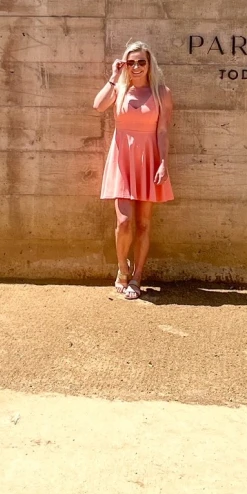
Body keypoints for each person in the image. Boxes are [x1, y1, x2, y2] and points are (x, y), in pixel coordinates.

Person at [93, 41, 173, 300]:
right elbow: (98, 106)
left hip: (149, 159)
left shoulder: (162, 92)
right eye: (131, 62)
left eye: (141, 62)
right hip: (123, 159)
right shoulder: (120, 89)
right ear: (125, 65)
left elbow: (162, 131)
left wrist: (163, 163)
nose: (136, 66)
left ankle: (138, 276)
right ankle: (122, 270)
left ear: (149, 64)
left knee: (144, 224)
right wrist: (114, 77)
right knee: (124, 222)